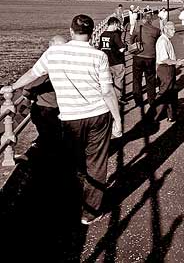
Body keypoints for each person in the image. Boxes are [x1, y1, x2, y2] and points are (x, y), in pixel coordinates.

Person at [1, 14, 122, 225]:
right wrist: (117, 119)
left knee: (73, 160)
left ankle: (70, 201)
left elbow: (32, 73)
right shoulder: (99, 56)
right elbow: (107, 91)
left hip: (70, 117)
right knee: (96, 162)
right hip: (98, 115)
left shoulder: (54, 52)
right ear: (92, 33)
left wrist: (12, 87)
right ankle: (90, 212)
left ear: (71, 31)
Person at [24, 35, 66, 153]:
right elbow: (28, 89)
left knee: (52, 139)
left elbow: (27, 90)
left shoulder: (50, 67)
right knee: (53, 138)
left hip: (50, 109)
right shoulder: (51, 68)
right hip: (51, 110)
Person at [154, 21, 184, 123]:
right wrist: (177, 62)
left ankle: (171, 115)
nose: (174, 31)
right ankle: (152, 117)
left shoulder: (166, 40)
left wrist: (178, 62)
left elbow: (169, 58)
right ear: (165, 29)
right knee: (164, 93)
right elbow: (165, 59)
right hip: (165, 69)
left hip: (169, 68)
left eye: (174, 29)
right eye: (172, 29)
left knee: (172, 92)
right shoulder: (163, 41)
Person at [130, 12, 161, 110]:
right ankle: (151, 100)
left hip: (138, 56)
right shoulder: (156, 31)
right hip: (150, 57)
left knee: (136, 79)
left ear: (143, 19)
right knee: (150, 79)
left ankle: (138, 101)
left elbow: (131, 40)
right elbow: (158, 43)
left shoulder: (138, 28)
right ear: (151, 20)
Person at [99, 17, 126, 101]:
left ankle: (108, 97)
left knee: (108, 81)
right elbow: (121, 49)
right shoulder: (115, 35)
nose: (117, 27)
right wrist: (125, 47)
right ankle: (118, 98)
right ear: (114, 23)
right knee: (118, 80)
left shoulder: (103, 34)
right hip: (117, 61)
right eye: (117, 25)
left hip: (107, 62)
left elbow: (100, 48)